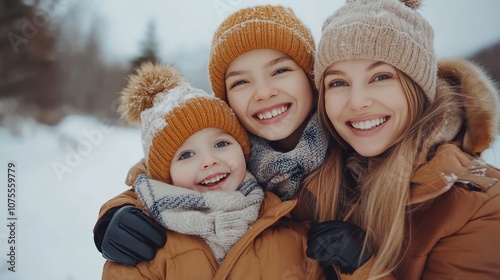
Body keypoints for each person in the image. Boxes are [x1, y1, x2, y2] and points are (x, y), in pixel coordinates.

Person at [94, 4, 330, 266]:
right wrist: (117, 214)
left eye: (280, 71)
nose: (263, 92)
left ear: (310, 76)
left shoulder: (352, 148)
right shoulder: (231, 155)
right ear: (226, 100)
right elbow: (157, 177)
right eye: (240, 82)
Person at [304, 0, 500, 279]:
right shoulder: (319, 181)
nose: (357, 101)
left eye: (381, 76)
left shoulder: (481, 205)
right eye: (338, 83)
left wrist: (363, 269)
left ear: (418, 89)